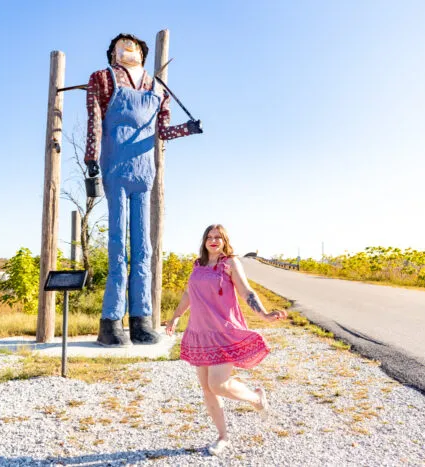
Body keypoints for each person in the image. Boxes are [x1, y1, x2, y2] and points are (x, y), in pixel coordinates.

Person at [84, 33, 203, 347]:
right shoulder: (103, 79)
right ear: (112, 54)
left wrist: (187, 129)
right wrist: (91, 159)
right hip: (115, 167)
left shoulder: (157, 88)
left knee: (144, 248)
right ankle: (111, 321)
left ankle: (142, 320)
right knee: (117, 246)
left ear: (143, 53)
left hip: (144, 171)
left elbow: (162, 130)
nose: (126, 47)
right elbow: (94, 122)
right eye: (120, 45)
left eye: (132, 45)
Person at [166, 224, 288, 456]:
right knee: (207, 389)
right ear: (204, 241)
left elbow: (246, 291)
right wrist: (175, 317)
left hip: (224, 331)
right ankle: (223, 437)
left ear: (224, 241)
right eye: (209, 237)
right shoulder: (198, 265)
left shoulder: (230, 263)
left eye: (218, 237)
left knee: (218, 384)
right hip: (200, 333)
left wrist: (263, 314)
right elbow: (188, 294)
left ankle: (256, 399)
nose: (213, 241)